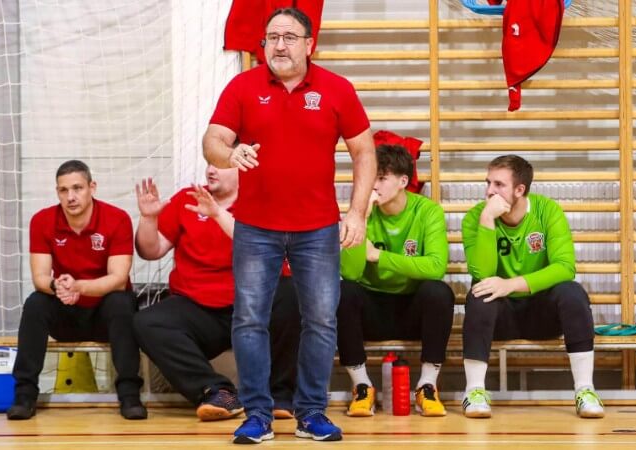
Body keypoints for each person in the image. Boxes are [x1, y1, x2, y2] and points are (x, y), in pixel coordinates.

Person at [203, 6, 376, 444]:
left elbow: (364, 152)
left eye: (289, 37)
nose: (279, 45)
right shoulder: (242, 86)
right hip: (255, 227)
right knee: (249, 321)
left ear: (309, 44)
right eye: (272, 38)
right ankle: (258, 415)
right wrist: (229, 154)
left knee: (320, 321)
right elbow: (213, 140)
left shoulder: (337, 89)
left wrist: (357, 212)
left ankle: (311, 412)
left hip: (317, 228)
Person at [131, 165, 300, 422]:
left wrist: (218, 214)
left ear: (242, 166)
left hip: (251, 306)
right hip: (199, 308)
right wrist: (148, 218)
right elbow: (150, 251)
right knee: (146, 322)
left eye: (220, 164)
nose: (211, 169)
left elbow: (260, 249)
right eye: (209, 162)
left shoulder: (264, 201)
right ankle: (218, 392)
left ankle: (280, 395)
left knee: (291, 293)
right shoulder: (187, 199)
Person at [461, 155, 605, 419]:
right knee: (479, 294)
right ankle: (474, 391)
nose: (489, 191)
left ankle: (585, 390)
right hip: (501, 319)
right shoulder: (476, 217)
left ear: (520, 189)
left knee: (572, 292)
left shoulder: (547, 211)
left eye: (498, 184)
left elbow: (565, 267)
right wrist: (487, 220)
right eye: (488, 182)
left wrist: (511, 284)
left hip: (541, 316)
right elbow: (482, 273)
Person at [8, 160, 145, 420]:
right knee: (36, 302)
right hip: (67, 314)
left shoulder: (117, 219)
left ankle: (129, 395)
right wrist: (57, 286)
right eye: (63, 190)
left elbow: (118, 279)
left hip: (105, 317)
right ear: (57, 192)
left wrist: (79, 287)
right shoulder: (42, 220)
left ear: (92, 187)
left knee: (121, 301)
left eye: (77, 188)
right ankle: (24, 395)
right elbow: (40, 278)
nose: (70, 197)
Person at [338, 144, 454, 418]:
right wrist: (361, 218)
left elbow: (436, 267)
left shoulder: (427, 211)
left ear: (403, 181)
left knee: (438, 292)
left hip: (411, 310)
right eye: (370, 178)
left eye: (381, 178)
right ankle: (362, 386)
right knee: (342, 291)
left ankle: (427, 386)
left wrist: (379, 256)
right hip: (372, 310)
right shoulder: (360, 212)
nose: (373, 185)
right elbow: (350, 273)